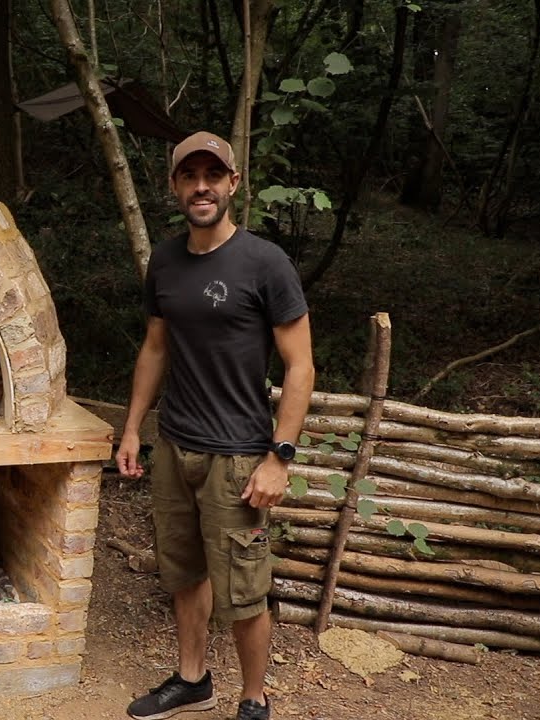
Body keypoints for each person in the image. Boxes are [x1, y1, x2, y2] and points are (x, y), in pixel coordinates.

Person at [116, 131, 314, 720]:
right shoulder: (167, 259)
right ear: (175, 186)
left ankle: (254, 699)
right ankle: (192, 679)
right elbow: (155, 348)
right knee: (182, 571)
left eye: (212, 175)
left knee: (245, 590)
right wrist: (133, 429)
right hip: (175, 446)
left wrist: (280, 456)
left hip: (239, 456)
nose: (200, 186)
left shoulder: (266, 263)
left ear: (232, 183)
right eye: (188, 176)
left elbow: (300, 365)